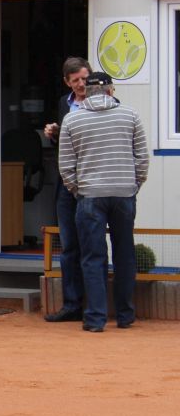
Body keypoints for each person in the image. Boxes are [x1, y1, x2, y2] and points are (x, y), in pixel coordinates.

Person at [57, 72, 149, 332]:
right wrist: (133, 185)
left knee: (92, 257)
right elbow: (142, 158)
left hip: (89, 195)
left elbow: (66, 165)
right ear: (110, 90)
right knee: (125, 253)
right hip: (123, 193)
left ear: (86, 91)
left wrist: (78, 190)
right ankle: (125, 315)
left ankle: (96, 318)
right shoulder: (130, 115)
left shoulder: (72, 119)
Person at [41, 57, 91, 322]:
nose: (81, 84)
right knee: (69, 244)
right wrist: (54, 133)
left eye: (85, 78)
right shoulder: (64, 103)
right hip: (66, 182)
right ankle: (72, 305)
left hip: (92, 182)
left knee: (92, 245)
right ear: (67, 82)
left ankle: (95, 305)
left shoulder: (102, 101)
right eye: (76, 80)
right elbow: (65, 143)